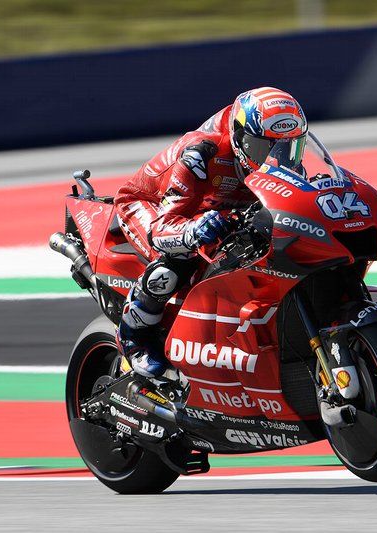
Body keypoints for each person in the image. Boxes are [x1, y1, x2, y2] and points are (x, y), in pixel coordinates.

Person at [113, 87, 308, 377]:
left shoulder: (283, 163)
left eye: (288, 147)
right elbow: (163, 227)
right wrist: (192, 229)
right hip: (151, 205)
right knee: (176, 257)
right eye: (264, 149)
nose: (275, 158)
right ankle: (133, 338)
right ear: (241, 137)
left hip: (216, 210)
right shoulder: (202, 153)